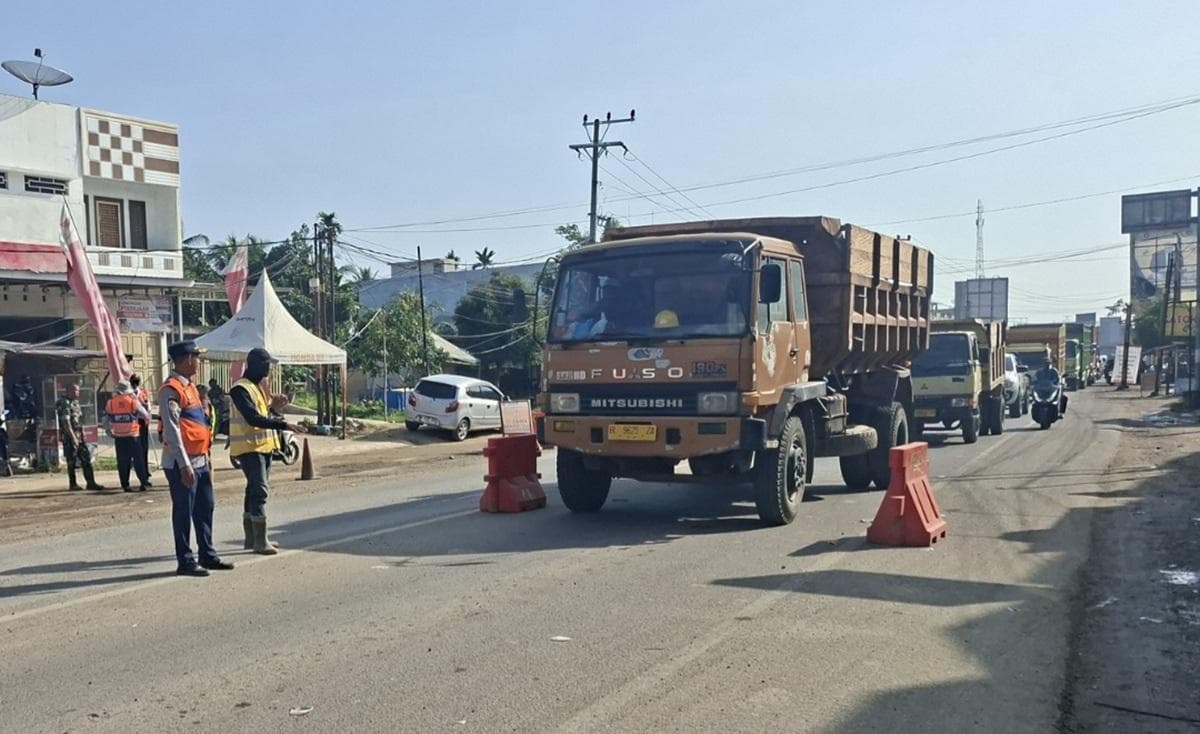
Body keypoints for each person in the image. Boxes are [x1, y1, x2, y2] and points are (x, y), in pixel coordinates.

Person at [159, 340, 233, 577]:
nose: (199, 362)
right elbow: (172, 431)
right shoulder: (171, 389)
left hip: (200, 459)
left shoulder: (190, 387)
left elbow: (198, 425)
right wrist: (184, 464)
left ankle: (207, 555)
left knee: (205, 507)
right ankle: (185, 560)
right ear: (187, 359)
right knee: (183, 511)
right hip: (182, 463)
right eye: (196, 357)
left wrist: (206, 456)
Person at [228, 347, 307, 555]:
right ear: (255, 364)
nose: (268, 369)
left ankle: (252, 538)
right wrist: (285, 425)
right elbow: (252, 418)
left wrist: (274, 408)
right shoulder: (240, 389)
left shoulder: (256, 388)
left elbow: (262, 414)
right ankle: (260, 541)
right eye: (266, 364)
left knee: (252, 490)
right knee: (260, 490)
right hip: (249, 448)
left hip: (263, 447)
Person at [105, 380, 152, 492]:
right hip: (133, 435)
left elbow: (105, 418)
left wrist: (108, 431)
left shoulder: (111, 403)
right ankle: (143, 482)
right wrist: (145, 423)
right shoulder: (133, 402)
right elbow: (145, 415)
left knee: (122, 461)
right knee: (138, 460)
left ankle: (125, 485)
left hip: (119, 436)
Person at [56, 383, 104, 491]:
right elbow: (66, 422)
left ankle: (91, 483)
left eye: (78, 390)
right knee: (71, 460)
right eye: (76, 390)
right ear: (69, 391)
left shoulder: (75, 402)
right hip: (69, 435)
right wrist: (73, 438)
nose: (78, 392)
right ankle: (73, 484)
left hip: (79, 434)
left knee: (86, 458)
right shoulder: (64, 403)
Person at [128, 373, 154, 488]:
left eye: (137, 382)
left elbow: (148, 405)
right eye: (134, 382)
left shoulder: (143, 392)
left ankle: (145, 474)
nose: (135, 384)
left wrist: (148, 415)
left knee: (144, 449)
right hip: (132, 424)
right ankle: (139, 474)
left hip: (143, 423)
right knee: (136, 451)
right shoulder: (127, 394)